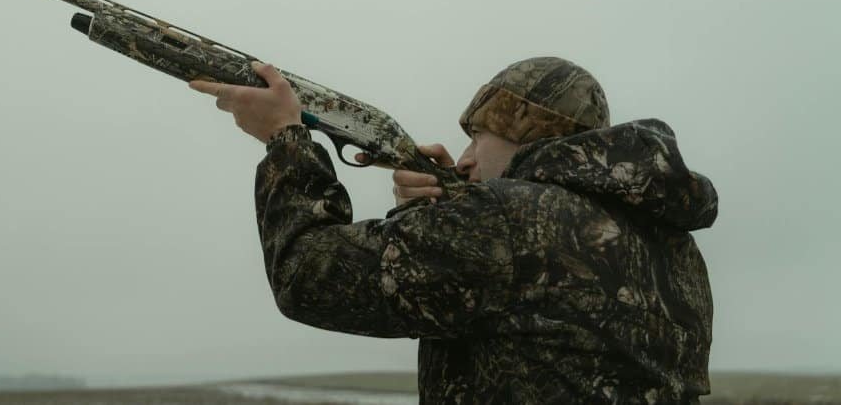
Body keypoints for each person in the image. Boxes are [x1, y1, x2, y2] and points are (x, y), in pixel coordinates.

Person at [189, 56, 716, 404]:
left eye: (478, 137)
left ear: (522, 132)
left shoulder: (503, 221)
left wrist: (286, 139)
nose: (462, 160)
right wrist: (424, 218)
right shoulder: (673, 247)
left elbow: (307, 276)